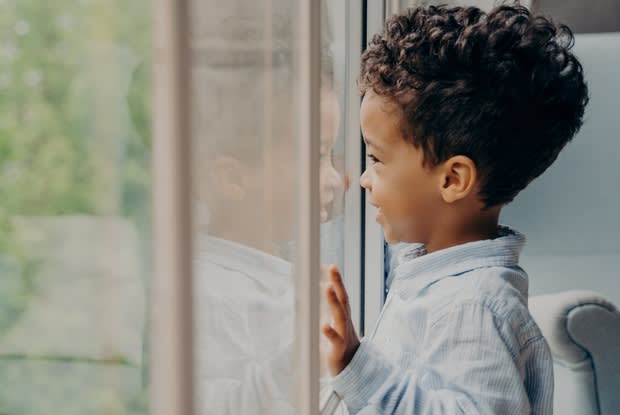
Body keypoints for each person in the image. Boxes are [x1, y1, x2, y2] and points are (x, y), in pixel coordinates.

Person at [321, 4, 588, 414]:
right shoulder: (437, 277)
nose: (363, 178)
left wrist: (359, 367)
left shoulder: (475, 304)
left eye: (376, 159)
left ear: (452, 180)